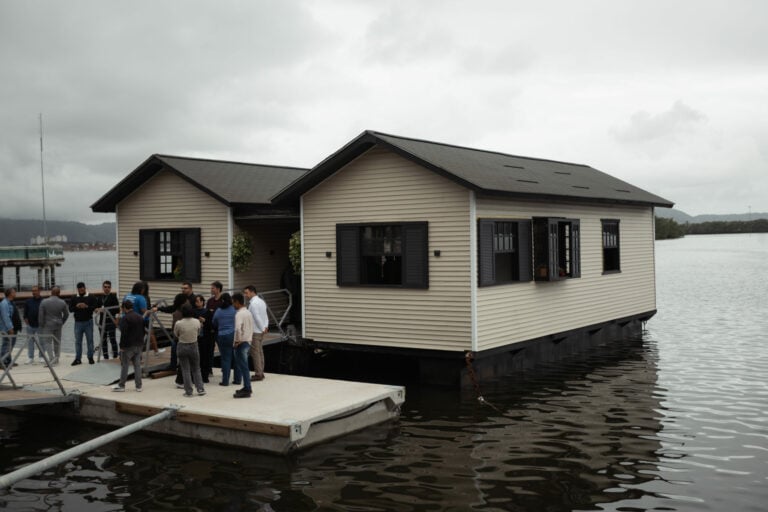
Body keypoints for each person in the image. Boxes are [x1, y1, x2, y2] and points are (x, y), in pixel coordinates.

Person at [173, 304, 206, 397]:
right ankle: (200, 389)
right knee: (196, 368)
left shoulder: (178, 323)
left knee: (185, 370)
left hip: (182, 345)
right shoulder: (196, 322)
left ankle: (189, 391)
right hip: (194, 345)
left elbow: (176, 334)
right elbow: (198, 333)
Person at [112, 300, 144, 392]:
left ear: (124, 308)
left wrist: (121, 346)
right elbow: (143, 331)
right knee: (137, 366)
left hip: (128, 346)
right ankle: (139, 386)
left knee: (125, 365)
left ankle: (121, 385)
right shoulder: (139, 317)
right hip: (139, 344)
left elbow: (124, 333)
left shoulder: (125, 318)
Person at [38, 286, 69, 365]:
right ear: (59, 293)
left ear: (51, 292)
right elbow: (66, 314)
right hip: (58, 324)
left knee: (47, 342)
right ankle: (57, 357)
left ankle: (51, 358)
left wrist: (41, 324)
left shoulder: (44, 302)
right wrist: (62, 321)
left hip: (47, 324)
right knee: (57, 342)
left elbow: (41, 315)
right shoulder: (62, 302)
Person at [212, 292, 237, 386]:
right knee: (236, 357)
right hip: (233, 334)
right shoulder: (234, 309)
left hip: (222, 335)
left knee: (225, 359)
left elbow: (214, 322)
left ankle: (225, 381)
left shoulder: (218, 311)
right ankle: (237, 379)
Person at [243, 285, 268, 382]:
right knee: (260, 352)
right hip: (261, 330)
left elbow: (257, 317)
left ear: (252, 292)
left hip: (255, 331)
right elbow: (265, 315)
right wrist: (265, 327)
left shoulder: (253, 304)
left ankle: (258, 373)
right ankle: (261, 371)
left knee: (255, 353)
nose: (245, 295)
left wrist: (262, 327)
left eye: (247, 293)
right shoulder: (261, 301)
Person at [69, 282, 97, 365]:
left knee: (90, 341)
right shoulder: (74, 297)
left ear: (85, 288)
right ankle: (78, 359)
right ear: (77, 289)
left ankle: (90, 357)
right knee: (78, 341)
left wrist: (86, 306)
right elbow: (70, 309)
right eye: (80, 289)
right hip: (78, 323)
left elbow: (95, 308)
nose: (81, 290)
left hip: (88, 322)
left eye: (82, 288)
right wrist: (76, 306)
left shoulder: (91, 297)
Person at [232, 292, 254, 398]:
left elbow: (237, 328)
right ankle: (246, 387)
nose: (233, 305)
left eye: (233, 303)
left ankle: (247, 389)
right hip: (248, 341)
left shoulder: (239, 314)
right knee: (244, 366)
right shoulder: (248, 312)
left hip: (241, 343)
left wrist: (237, 340)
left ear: (237, 302)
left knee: (243, 366)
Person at [201, 281, 223, 382]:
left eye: (213, 288)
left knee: (223, 350)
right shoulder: (210, 301)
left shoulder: (223, 301)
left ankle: (225, 368)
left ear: (218, 289)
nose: (211, 290)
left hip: (221, 329)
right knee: (209, 350)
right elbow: (207, 313)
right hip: (210, 329)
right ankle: (209, 369)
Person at [96, 280, 120, 359]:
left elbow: (117, 310)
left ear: (110, 288)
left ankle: (115, 355)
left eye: (108, 287)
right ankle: (105, 356)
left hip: (111, 322)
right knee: (103, 340)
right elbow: (96, 309)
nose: (107, 289)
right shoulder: (100, 298)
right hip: (102, 322)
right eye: (105, 287)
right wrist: (98, 310)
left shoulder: (113, 297)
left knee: (113, 339)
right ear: (102, 287)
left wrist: (116, 320)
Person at [23, 285, 43, 364]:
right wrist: (26, 320)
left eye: (35, 290)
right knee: (30, 342)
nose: (33, 292)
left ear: (39, 291)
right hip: (30, 325)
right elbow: (25, 313)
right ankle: (30, 357)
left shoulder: (43, 301)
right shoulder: (28, 301)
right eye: (33, 291)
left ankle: (41, 357)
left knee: (42, 341)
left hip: (40, 325)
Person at [1, 287, 17, 367]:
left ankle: (8, 361)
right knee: (6, 344)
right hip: (6, 328)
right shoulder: (4, 303)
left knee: (10, 344)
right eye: (14, 292)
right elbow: (5, 317)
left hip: (9, 327)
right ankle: (2, 362)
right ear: (10, 294)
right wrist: (10, 328)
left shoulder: (10, 303)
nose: (15, 293)